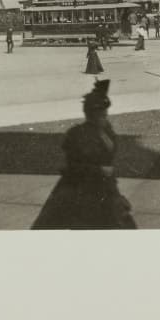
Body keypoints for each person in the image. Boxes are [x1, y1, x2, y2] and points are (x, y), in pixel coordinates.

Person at [31, 80, 137, 230]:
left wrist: (113, 187)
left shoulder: (107, 130)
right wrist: (99, 170)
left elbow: (108, 161)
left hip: (106, 189)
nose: (104, 115)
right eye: (100, 112)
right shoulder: (77, 134)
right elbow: (72, 167)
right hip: (82, 191)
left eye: (104, 111)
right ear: (90, 114)